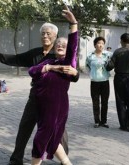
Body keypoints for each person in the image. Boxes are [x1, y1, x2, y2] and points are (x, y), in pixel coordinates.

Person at [0, 17, 79, 165]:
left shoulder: (60, 54)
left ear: (55, 36)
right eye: (43, 33)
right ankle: (16, 159)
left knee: (59, 130)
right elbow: (16, 59)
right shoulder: (35, 53)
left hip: (54, 100)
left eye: (48, 33)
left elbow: (72, 72)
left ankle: (63, 159)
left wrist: (76, 73)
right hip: (36, 96)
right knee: (25, 126)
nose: (45, 36)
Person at [29, 7, 78, 165]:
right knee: (52, 138)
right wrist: (50, 68)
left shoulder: (67, 63)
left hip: (55, 107)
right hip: (41, 107)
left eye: (64, 43)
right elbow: (32, 71)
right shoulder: (50, 62)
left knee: (41, 138)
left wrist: (73, 23)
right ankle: (67, 163)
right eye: (58, 43)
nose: (60, 45)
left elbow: (73, 46)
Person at [86, 37, 111, 128]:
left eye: (103, 43)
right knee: (95, 102)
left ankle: (104, 121)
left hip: (105, 81)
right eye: (99, 43)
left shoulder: (108, 55)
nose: (101, 45)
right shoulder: (90, 56)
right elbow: (87, 66)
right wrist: (93, 73)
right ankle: (97, 121)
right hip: (94, 82)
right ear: (95, 45)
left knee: (105, 102)